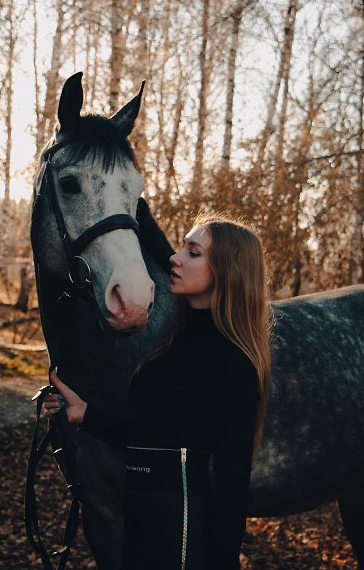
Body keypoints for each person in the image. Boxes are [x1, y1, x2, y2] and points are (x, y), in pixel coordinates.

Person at [44, 210, 272, 570]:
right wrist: (85, 414)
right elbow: (154, 439)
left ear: (227, 271)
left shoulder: (233, 362)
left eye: (192, 253)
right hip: (140, 519)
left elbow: (232, 479)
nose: (174, 259)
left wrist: (221, 560)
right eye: (181, 248)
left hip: (182, 531)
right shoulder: (171, 344)